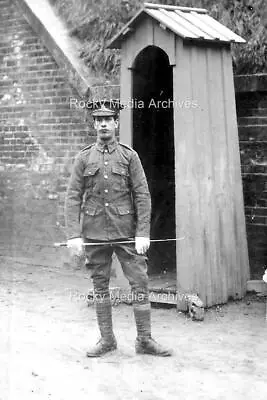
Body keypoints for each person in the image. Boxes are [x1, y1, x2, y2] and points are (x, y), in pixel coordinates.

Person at [65, 99, 172, 357]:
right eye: (98, 120)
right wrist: (74, 236)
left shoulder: (129, 156)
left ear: (116, 123)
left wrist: (143, 232)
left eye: (107, 120)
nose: (103, 124)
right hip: (94, 233)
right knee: (100, 285)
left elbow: (142, 195)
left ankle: (144, 340)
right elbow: (72, 197)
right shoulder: (83, 158)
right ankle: (107, 340)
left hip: (126, 232)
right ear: (94, 124)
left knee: (139, 283)